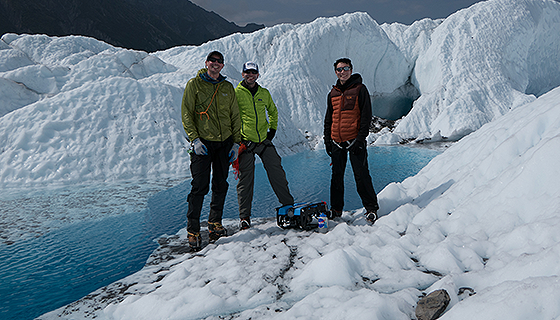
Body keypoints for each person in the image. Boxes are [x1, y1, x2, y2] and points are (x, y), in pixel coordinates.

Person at [181, 51, 242, 251]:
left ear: (223, 65)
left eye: (219, 62)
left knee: (220, 184)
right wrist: (195, 139)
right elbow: (187, 113)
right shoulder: (194, 84)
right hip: (203, 144)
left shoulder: (226, 87)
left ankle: (214, 223)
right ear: (206, 63)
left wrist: (235, 142)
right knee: (199, 186)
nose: (216, 64)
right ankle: (193, 229)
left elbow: (235, 115)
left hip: (224, 144)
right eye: (212, 61)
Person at [234, 61, 294, 230]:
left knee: (277, 172)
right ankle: (244, 217)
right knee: (246, 180)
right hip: (245, 142)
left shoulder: (264, 93)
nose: (250, 75)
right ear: (243, 74)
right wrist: (238, 139)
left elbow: (273, 111)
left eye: (253, 72)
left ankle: (288, 205)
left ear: (258, 75)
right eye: (247, 72)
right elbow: (231, 117)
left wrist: (272, 131)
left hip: (263, 141)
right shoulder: (236, 93)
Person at [324, 57, 379, 223]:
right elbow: (329, 119)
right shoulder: (332, 93)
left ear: (351, 69)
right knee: (336, 177)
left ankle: (371, 208)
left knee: (361, 175)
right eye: (339, 69)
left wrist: (361, 140)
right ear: (336, 72)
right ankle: (336, 210)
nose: (342, 72)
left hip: (355, 141)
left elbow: (366, 116)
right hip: (336, 142)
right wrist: (327, 140)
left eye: (345, 68)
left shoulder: (360, 89)